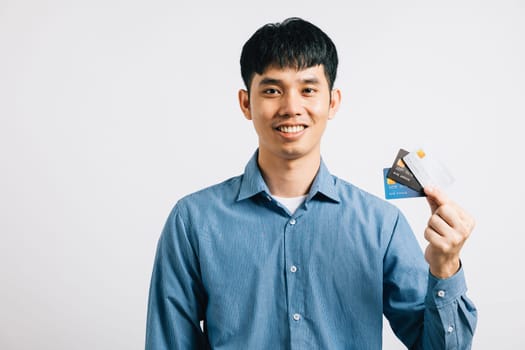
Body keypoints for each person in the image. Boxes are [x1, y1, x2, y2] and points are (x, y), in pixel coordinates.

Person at [145, 17, 477, 349]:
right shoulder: (192, 221)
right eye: (273, 90)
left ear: (332, 102)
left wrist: (445, 266)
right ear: (246, 103)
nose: (291, 107)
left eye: (308, 89)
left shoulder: (380, 225)